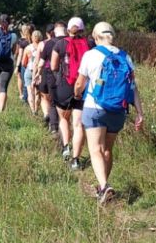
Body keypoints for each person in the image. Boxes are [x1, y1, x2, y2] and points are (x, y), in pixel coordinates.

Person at [75, 21, 145, 204]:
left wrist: (76, 93)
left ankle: (104, 186)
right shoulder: (125, 57)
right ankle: (103, 187)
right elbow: (133, 87)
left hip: (95, 107)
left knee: (95, 149)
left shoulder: (90, 55)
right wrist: (140, 112)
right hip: (118, 110)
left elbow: (80, 84)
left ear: (96, 37)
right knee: (107, 149)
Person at [49, 17, 93, 170]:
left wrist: (60, 76)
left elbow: (54, 66)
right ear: (83, 29)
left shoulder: (60, 44)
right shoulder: (90, 44)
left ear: (68, 29)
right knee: (78, 124)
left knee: (63, 119)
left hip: (64, 86)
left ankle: (66, 147)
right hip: (83, 86)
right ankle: (76, 160)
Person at [34, 22, 66, 138]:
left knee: (53, 102)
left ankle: (54, 128)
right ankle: (66, 128)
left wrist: (37, 74)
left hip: (51, 75)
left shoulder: (48, 44)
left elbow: (41, 63)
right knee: (67, 105)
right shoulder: (70, 42)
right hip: (68, 77)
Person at [0, 14, 18, 111]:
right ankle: (1, 110)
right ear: (9, 23)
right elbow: (14, 50)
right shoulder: (13, 35)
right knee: (3, 87)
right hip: (8, 63)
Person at [22, 29, 44, 114]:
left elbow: (23, 62)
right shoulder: (42, 47)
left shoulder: (28, 48)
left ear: (32, 37)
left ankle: (32, 111)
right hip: (39, 72)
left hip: (29, 70)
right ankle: (36, 110)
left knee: (29, 92)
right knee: (37, 92)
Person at [15, 24, 33, 106]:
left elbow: (20, 54)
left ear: (21, 32)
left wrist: (17, 66)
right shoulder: (32, 40)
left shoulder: (21, 42)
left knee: (23, 80)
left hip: (24, 63)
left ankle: (24, 97)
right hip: (32, 63)